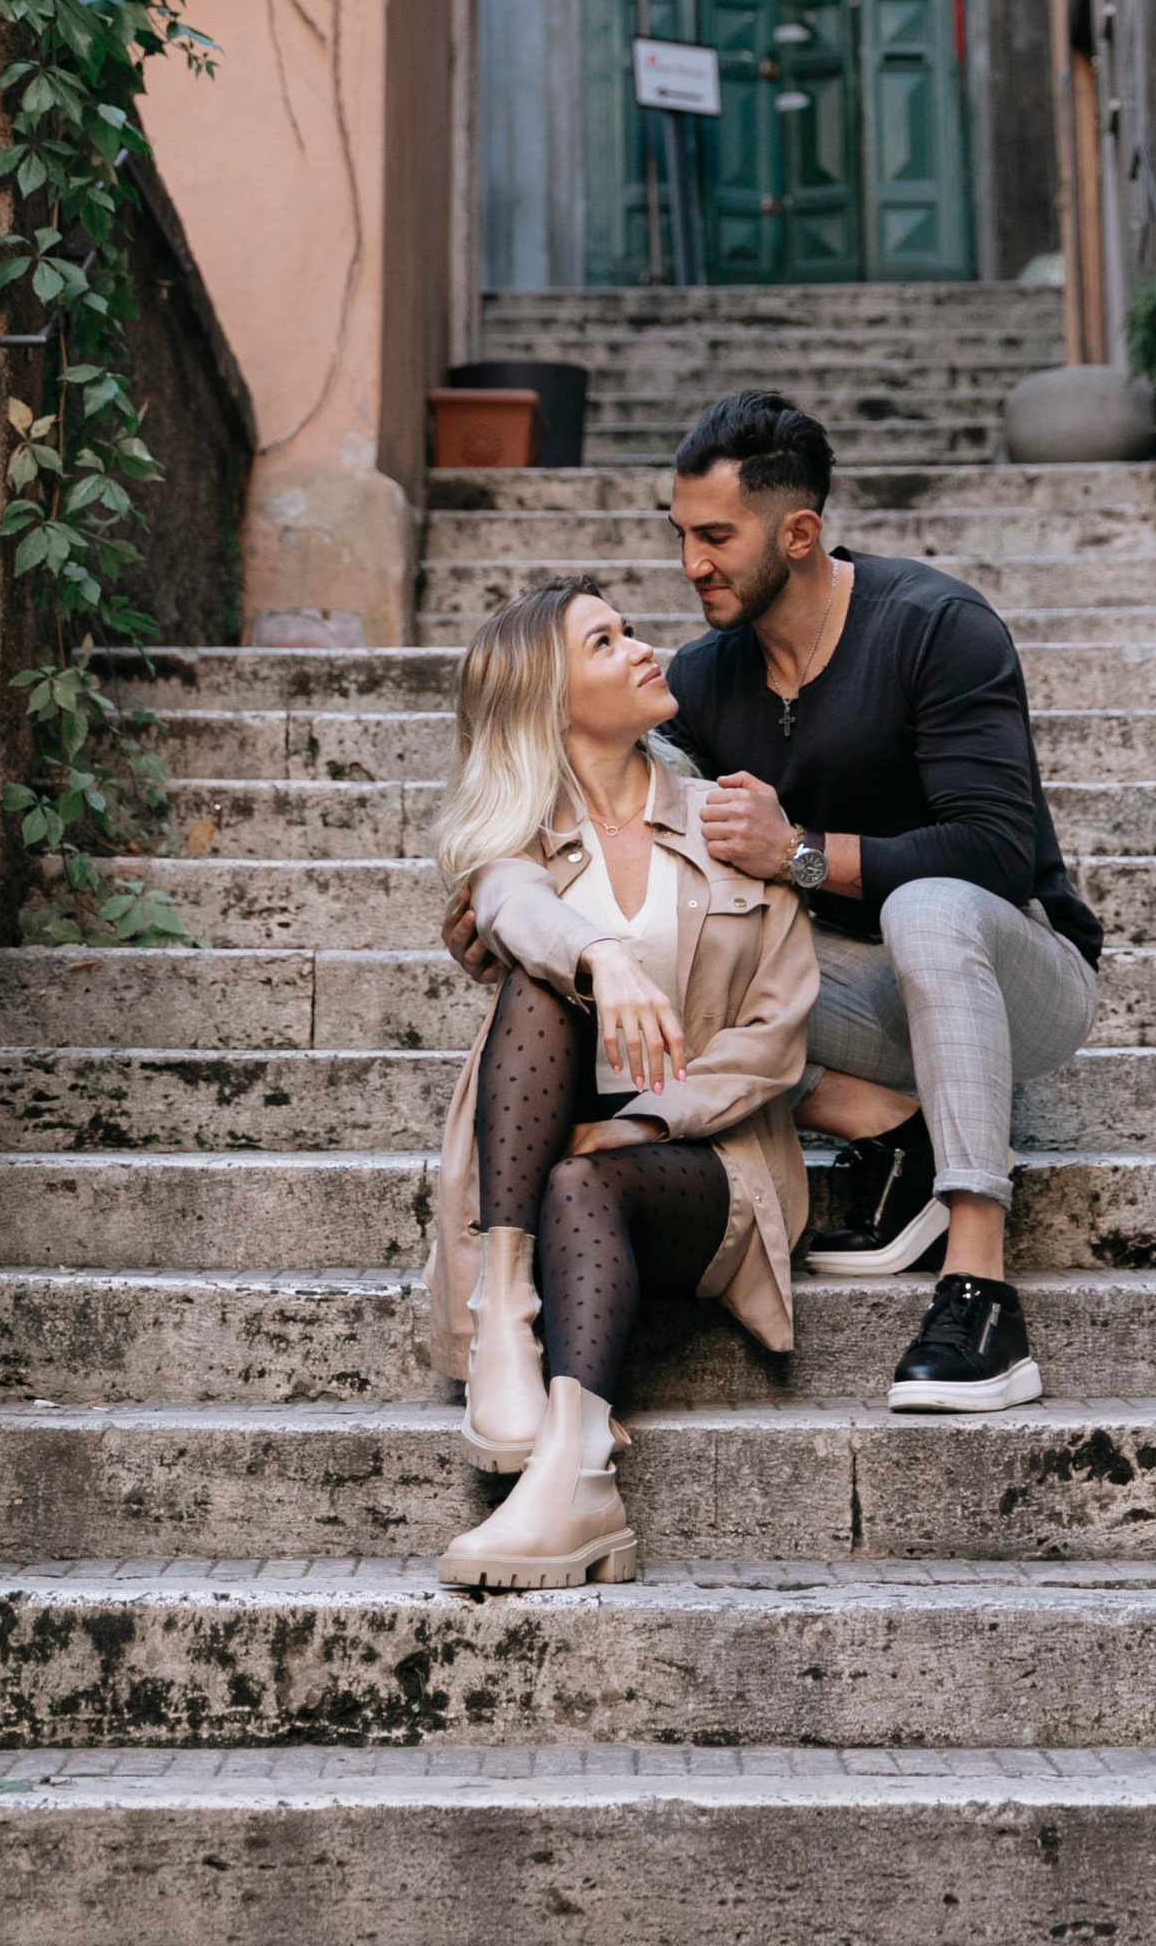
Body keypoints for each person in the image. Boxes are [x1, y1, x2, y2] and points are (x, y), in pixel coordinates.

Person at [663, 387, 1103, 1412]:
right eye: (682, 534)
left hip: (1015, 973)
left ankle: (980, 1291)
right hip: (855, 999)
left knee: (930, 908)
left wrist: (799, 854)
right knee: (646, 947)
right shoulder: (702, 678)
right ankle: (890, 1127)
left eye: (717, 536)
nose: (692, 565)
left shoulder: (935, 628)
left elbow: (996, 852)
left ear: (800, 531)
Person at [425, 572, 818, 1593]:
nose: (645, 649)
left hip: (704, 1158)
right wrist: (604, 956)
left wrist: (647, 1119)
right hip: (543, 1155)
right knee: (542, 990)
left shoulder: (727, 820)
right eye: (606, 643)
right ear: (552, 699)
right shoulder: (517, 849)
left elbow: (776, 1038)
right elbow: (509, 903)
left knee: (586, 1179)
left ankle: (564, 1464)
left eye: (630, 631)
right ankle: (516, 1335)